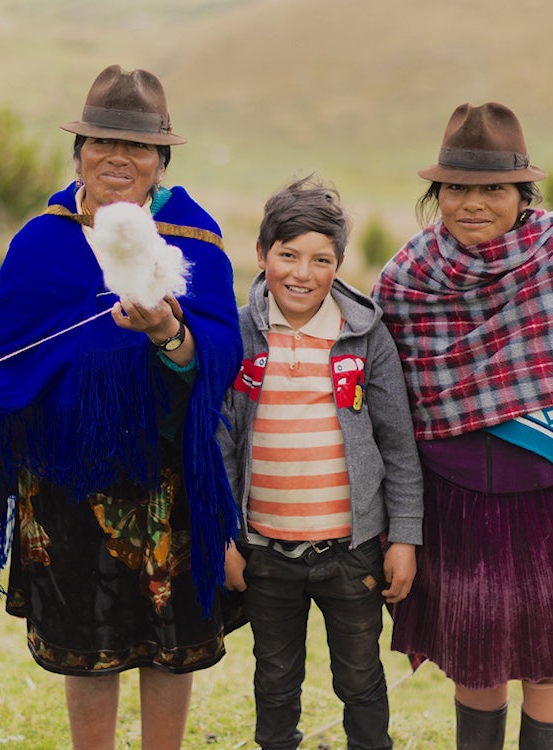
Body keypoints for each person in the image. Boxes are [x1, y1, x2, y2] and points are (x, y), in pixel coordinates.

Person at [0, 64, 243, 750]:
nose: (117, 157)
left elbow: (221, 353)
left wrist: (169, 333)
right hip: (61, 481)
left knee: (167, 637)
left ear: (160, 159)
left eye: (136, 146)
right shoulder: (41, 242)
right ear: (78, 152)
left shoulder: (194, 239)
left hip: (165, 479)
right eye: (100, 142)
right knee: (86, 640)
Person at [371, 103, 553, 750]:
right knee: (476, 669)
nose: (472, 203)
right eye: (457, 187)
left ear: (523, 194)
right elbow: (387, 410)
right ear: (436, 193)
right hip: (455, 506)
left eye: (493, 188)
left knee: (547, 668)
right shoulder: (407, 281)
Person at [218, 175, 423, 750]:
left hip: (351, 551)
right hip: (264, 552)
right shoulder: (237, 334)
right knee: (275, 679)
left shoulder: (365, 335)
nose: (302, 273)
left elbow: (398, 445)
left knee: (360, 678)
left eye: (320, 259)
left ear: (339, 263)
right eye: (288, 255)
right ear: (261, 255)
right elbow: (220, 444)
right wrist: (223, 537)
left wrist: (403, 536)